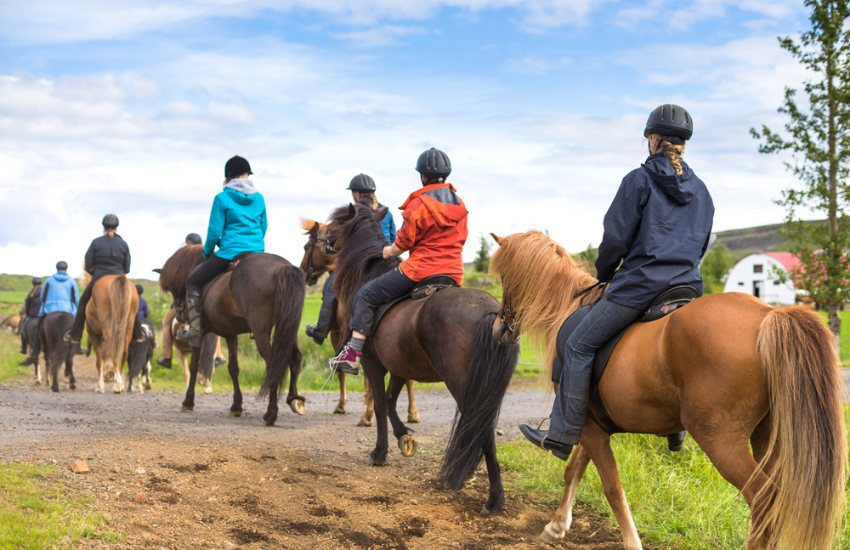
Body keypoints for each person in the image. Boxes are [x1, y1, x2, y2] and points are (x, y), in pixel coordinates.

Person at [519, 104, 715, 461]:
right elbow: (701, 244)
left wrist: (605, 273)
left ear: (652, 139)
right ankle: (676, 432)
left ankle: (561, 435)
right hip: (687, 288)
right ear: (683, 144)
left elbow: (615, 239)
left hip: (641, 287)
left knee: (578, 344)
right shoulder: (702, 191)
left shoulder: (638, 180)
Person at [328, 148, 468, 374]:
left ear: (422, 176)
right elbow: (462, 238)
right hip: (453, 272)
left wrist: (389, 252)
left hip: (420, 270)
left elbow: (405, 240)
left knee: (367, 294)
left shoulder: (419, 203)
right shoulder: (459, 204)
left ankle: (352, 355)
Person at [176, 155, 267, 347]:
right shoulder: (259, 198)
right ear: (246, 175)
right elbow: (263, 226)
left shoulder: (222, 198)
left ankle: (195, 331)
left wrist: (208, 251)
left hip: (229, 252)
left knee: (192, 281)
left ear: (228, 176)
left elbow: (214, 232)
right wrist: (255, 245)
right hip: (257, 254)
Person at [305, 173, 397, 345]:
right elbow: (393, 237)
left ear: (356, 194)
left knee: (331, 286)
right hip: (386, 260)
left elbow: (342, 239)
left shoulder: (353, 212)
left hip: (360, 263)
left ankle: (321, 330)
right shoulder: (387, 212)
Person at [64, 214, 131, 344]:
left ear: (103, 227)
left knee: (83, 302)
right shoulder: (124, 244)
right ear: (117, 227)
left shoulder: (96, 242)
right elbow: (127, 268)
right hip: (120, 277)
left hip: (100, 276)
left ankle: (75, 335)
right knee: (134, 304)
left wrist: (97, 273)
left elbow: (88, 264)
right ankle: (138, 332)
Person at [157, 232, 205, 369]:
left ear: (188, 243)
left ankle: (167, 357)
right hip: (203, 298)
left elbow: (176, 281)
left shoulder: (183, 256)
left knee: (166, 323)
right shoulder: (205, 253)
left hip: (185, 300)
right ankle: (219, 355)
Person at [21, 262, 79, 366]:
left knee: (38, 328)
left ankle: (34, 350)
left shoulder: (49, 280)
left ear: (56, 268)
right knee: (77, 327)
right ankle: (78, 347)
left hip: (50, 309)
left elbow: (43, 297)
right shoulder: (71, 281)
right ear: (66, 268)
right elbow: (75, 298)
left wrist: (45, 305)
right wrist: (77, 310)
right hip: (68, 309)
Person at [18, 277, 43, 361]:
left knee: (23, 330)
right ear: (41, 283)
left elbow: (27, 307)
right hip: (43, 316)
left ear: (33, 284)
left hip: (32, 316)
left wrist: (27, 314)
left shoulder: (30, 294)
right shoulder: (44, 293)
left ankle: (23, 349)